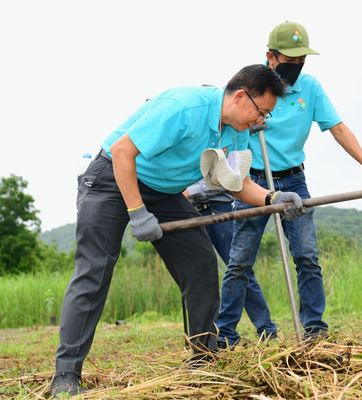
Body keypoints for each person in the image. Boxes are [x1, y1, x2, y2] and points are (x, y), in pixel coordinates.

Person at [50, 64, 305, 397]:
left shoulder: (235, 130)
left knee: (200, 262)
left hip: (163, 191)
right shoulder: (186, 107)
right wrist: (137, 212)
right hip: (111, 178)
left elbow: (233, 182)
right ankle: (66, 374)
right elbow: (124, 151)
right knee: (94, 271)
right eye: (262, 113)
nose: (261, 122)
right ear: (242, 96)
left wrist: (273, 197)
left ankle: (203, 357)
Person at [215, 21, 362, 347]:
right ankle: (225, 334)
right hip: (256, 182)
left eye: (300, 61)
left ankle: (314, 330)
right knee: (239, 261)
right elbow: (227, 139)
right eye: (288, 60)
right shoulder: (250, 88)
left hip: (294, 179)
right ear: (270, 56)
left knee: (307, 256)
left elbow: (337, 127)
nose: (295, 67)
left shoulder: (309, 88)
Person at [184, 181, 278, 340]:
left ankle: (266, 328)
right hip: (191, 211)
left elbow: (224, 179)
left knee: (238, 268)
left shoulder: (221, 154)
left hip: (219, 209)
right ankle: (207, 334)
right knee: (198, 273)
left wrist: (189, 191)